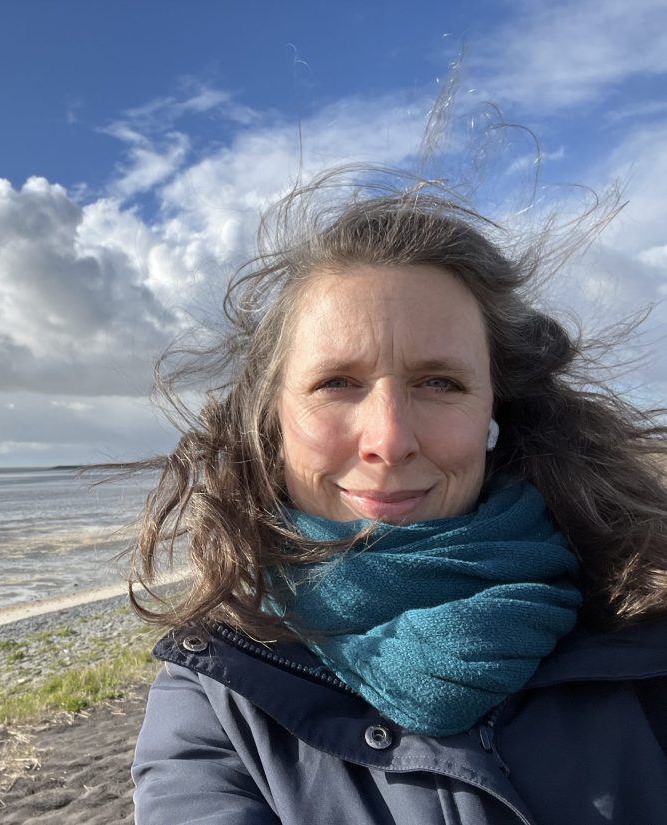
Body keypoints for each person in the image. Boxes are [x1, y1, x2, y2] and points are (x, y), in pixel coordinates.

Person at [126, 168, 667, 824]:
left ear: (499, 409)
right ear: (270, 420)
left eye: (438, 382)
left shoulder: (642, 625)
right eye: (336, 382)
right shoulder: (217, 690)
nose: (390, 439)